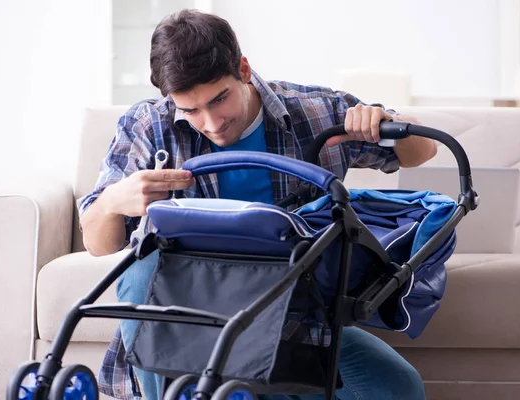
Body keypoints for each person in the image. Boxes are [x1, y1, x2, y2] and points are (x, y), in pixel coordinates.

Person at [77, 9, 436, 400]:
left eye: (219, 99)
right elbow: (99, 244)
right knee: (143, 264)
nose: (212, 123)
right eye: (191, 110)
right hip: (187, 326)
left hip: (295, 319)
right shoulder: (149, 126)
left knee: (398, 387)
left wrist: (384, 122)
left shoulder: (314, 112)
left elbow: (423, 150)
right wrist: (114, 201)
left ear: (244, 70)